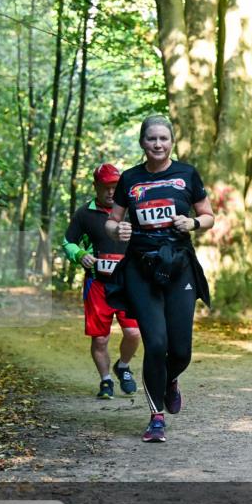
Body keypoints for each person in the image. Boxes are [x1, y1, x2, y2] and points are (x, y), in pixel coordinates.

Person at [105, 115, 214, 443]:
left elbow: (208, 216)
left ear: (171, 142)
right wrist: (118, 229)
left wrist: (193, 224)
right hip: (141, 269)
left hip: (179, 267)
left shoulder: (187, 174)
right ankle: (156, 418)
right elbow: (112, 222)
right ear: (143, 143)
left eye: (163, 139)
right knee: (155, 344)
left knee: (180, 351)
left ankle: (169, 381)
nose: (157, 144)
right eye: (151, 139)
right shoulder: (130, 179)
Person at [62, 163, 141, 399]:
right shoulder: (84, 214)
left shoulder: (132, 211)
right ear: (96, 186)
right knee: (100, 338)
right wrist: (79, 254)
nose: (110, 192)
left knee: (134, 333)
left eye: (115, 187)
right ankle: (106, 381)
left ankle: (123, 366)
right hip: (97, 284)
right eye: (105, 187)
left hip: (128, 284)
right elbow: (68, 242)